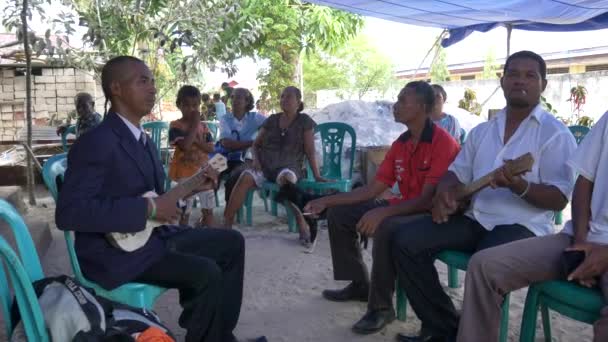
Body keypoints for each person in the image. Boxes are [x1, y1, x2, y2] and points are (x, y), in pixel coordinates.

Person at [55, 56, 255, 342]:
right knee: (206, 272)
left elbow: (157, 198)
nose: (152, 88)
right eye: (143, 81)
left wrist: (193, 187)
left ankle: (220, 335)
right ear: (117, 88)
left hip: (149, 237)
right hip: (114, 254)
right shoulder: (96, 141)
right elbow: (69, 212)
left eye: (153, 81)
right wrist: (147, 208)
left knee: (232, 242)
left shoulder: (144, 140)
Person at [390, 51, 577, 342]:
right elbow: (456, 173)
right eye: (513, 74)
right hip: (475, 218)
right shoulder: (482, 132)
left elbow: (559, 200)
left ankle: (470, 334)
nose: (520, 81)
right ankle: (444, 329)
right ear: (502, 82)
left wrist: (520, 187)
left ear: (544, 84)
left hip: (522, 228)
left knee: (484, 262)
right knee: (405, 241)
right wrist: (444, 194)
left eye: (530, 75)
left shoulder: (555, 135)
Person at [304, 81, 460, 335]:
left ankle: (381, 307)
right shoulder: (401, 143)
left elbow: (426, 200)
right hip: (405, 206)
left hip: (432, 213)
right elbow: (371, 190)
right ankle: (359, 284)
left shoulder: (444, 143)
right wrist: (327, 201)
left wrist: (383, 211)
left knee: (387, 225)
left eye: (402, 100)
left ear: (421, 107)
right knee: (341, 214)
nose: (395, 106)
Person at [456, 110, 608, 342]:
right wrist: (580, 244)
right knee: (484, 267)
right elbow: (585, 181)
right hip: (582, 237)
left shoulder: (554, 132)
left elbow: (559, 197)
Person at [223, 86, 323, 246]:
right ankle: (226, 224)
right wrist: (255, 160)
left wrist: (317, 175)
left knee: (286, 181)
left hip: (289, 166)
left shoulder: (304, 121)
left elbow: (310, 151)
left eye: (289, 97)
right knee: (245, 177)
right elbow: (256, 145)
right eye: (282, 96)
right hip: (266, 165)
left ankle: (302, 223)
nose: (284, 99)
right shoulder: (272, 120)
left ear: (298, 102)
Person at [168, 85, 216, 227]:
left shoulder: (204, 127)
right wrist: (195, 124)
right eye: (187, 105)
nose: (191, 109)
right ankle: (184, 239)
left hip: (204, 173)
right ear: (179, 105)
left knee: (208, 210)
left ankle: (209, 236)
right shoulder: (175, 126)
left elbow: (210, 148)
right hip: (185, 175)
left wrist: (196, 139)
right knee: (185, 211)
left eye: (195, 105)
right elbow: (185, 146)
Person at [217, 88, 266, 203]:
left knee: (234, 178)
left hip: (243, 160)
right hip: (224, 156)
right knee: (209, 173)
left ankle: (229, 213)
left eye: (238, 97)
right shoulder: (225, 118)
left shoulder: (255, 118)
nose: (234, 100)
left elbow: (273, 125)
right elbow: (226, 143)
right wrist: (253, 143)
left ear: (247, 102)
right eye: (233, 97)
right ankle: (207, 211)